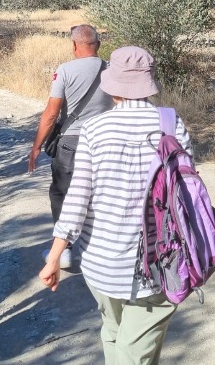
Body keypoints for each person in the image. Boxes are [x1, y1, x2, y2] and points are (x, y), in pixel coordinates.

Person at [39, 46, 193, 365]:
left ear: (111, 86)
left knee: (114, 332)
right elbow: (186, 193)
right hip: (158, 263)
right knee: (133, 350)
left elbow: (77, 199)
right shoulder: (171, 124)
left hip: (100, 264)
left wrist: (54, 256)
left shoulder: (94, 130)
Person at [28, 24, 112, 268]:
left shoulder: (64, 70)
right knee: (100, 194)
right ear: (98, 44)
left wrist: (36, 148)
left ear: (75, 45)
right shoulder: (111, 70)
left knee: (62, 194)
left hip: (72, 144)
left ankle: (63, 251)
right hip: (104, 140)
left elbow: (51, 114)